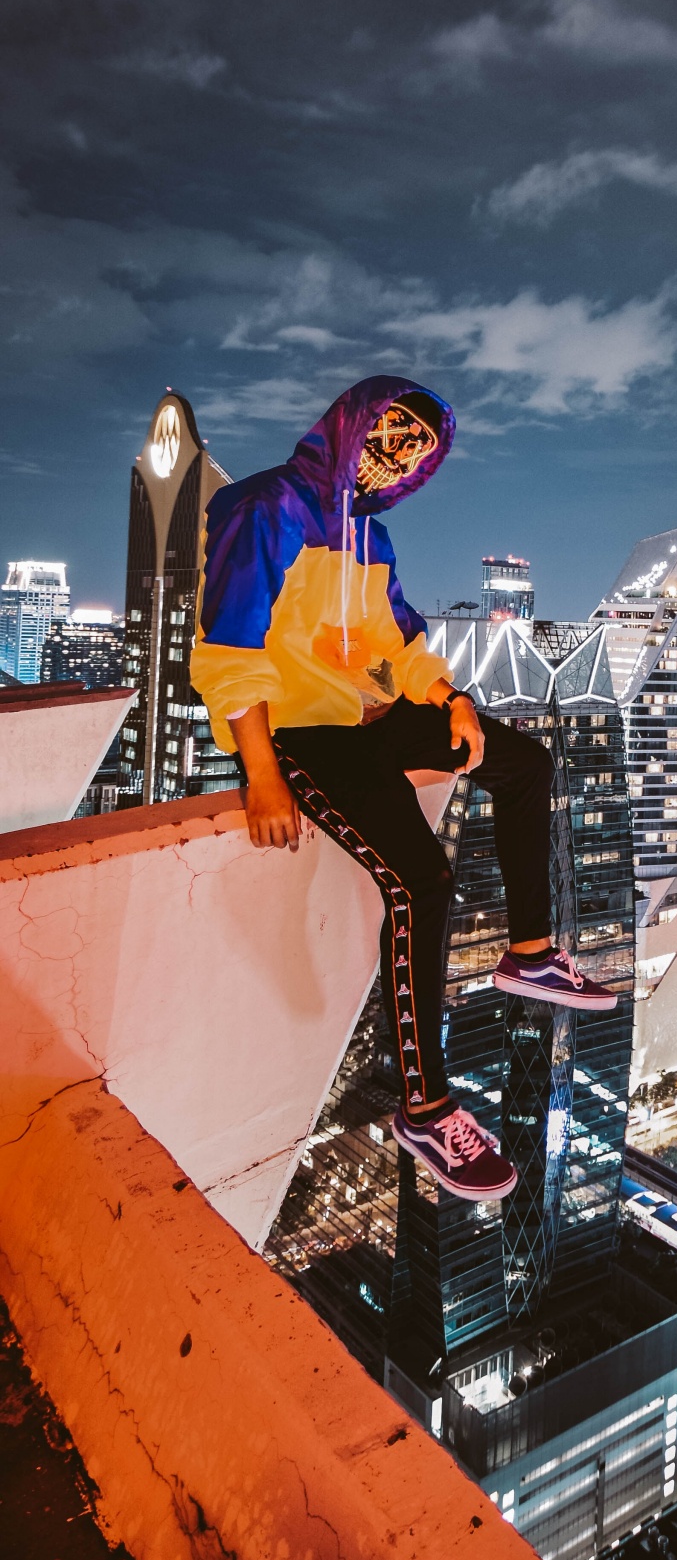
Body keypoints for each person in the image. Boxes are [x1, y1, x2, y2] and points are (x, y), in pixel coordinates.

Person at [189, 374, 616, 1204]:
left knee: (522, 762)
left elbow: (397, 645)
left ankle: (529, 954)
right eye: (389, 436)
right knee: (421, 880)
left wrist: (451, 699)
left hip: (366, 715)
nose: (395, 459)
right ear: (352, 425)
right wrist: (261, 770)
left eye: (415, 452)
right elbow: (229, 647)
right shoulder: (265, 507)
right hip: (298, 730)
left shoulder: (368, 537)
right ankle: (426, 1109)